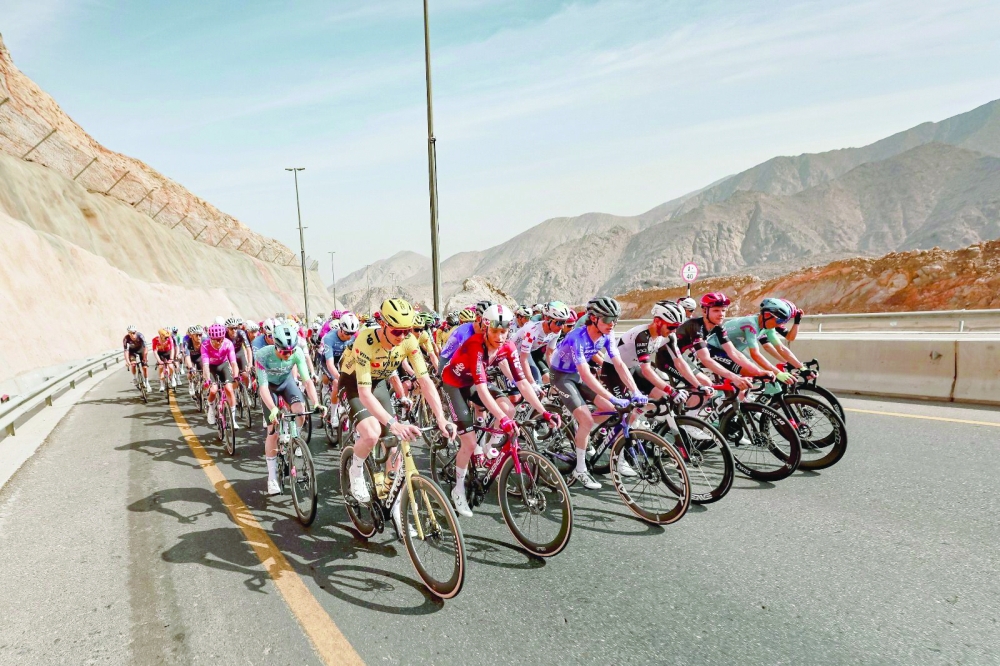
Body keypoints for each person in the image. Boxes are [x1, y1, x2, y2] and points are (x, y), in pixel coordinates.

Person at [342, 299, 456, 535]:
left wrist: (441, 418)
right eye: (397, 331)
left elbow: (425, 381)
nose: (402, 336)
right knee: (373, 433)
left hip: (379, 382)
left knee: (395, 445)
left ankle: (395, 507)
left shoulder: (409, 340)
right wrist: (393, 423)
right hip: (354, 383)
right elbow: (364, 393)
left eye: (407, 331)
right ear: (383, 324)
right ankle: (355, 469)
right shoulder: (366, 340)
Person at [440, 304, 560, 516]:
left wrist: (544, 412)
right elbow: (484, 388)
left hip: (474, 384)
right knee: (468, 441)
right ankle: (458, 490)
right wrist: (501, 419)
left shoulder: (508, 348)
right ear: (485, 328)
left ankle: (488, 448)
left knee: (508, 408)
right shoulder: (476, 345)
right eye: (495, 331)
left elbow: (522, 383)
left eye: (504, 331)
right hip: (454, 383)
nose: (499, 336)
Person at [549, 297, 641, 490]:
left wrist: (635, 390)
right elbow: (585, 374)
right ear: (593, 318)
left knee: (615, 410)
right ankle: (580, 469)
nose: (612, 324)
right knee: (587, 420)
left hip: (577, 374)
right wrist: (612, 396)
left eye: (615, 319)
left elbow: (619, 364)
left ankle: (588, 436)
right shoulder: (577, 337)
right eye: (607, 319)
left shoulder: (608, 335)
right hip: (561, 376)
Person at [256, 324, 324, 495]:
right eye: (284, 352)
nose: (288, 355)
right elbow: (263, 388)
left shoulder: (297, 352)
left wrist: (316, 402)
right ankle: (272, 477)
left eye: (291, 351)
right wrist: (272, 408)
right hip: (269, 387)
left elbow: (307, 381)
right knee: (272, 432)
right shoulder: (263, 355)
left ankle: (295, 437)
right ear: (276, 346)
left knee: (300, 410)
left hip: (286, 383)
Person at [201, 323, 240, 428]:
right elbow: (205, 366)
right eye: (217, 340)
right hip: (212, 367)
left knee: (229, 388)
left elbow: (233, 363)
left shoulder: (228, 343)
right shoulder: (205, 345)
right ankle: (211, 407)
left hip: (223, 365)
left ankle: (232, 419)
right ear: (211, 338)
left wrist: (236, 376)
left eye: (221, 339)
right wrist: (208, 379)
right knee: (213, 390)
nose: (219, 342)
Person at [123, 325, 151, 392]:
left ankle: (147, 382)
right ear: (128, 333)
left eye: (134, 332)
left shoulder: (140, 336)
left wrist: (145, 357)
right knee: (133, 364)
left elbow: (145, 348)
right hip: (132, 352)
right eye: (130, 333)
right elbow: (126, 351)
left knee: (145, 367)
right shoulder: (126, 338)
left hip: (141, 350)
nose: (132, 334)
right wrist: (127, 361)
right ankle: (135, 378)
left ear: (136, 332)